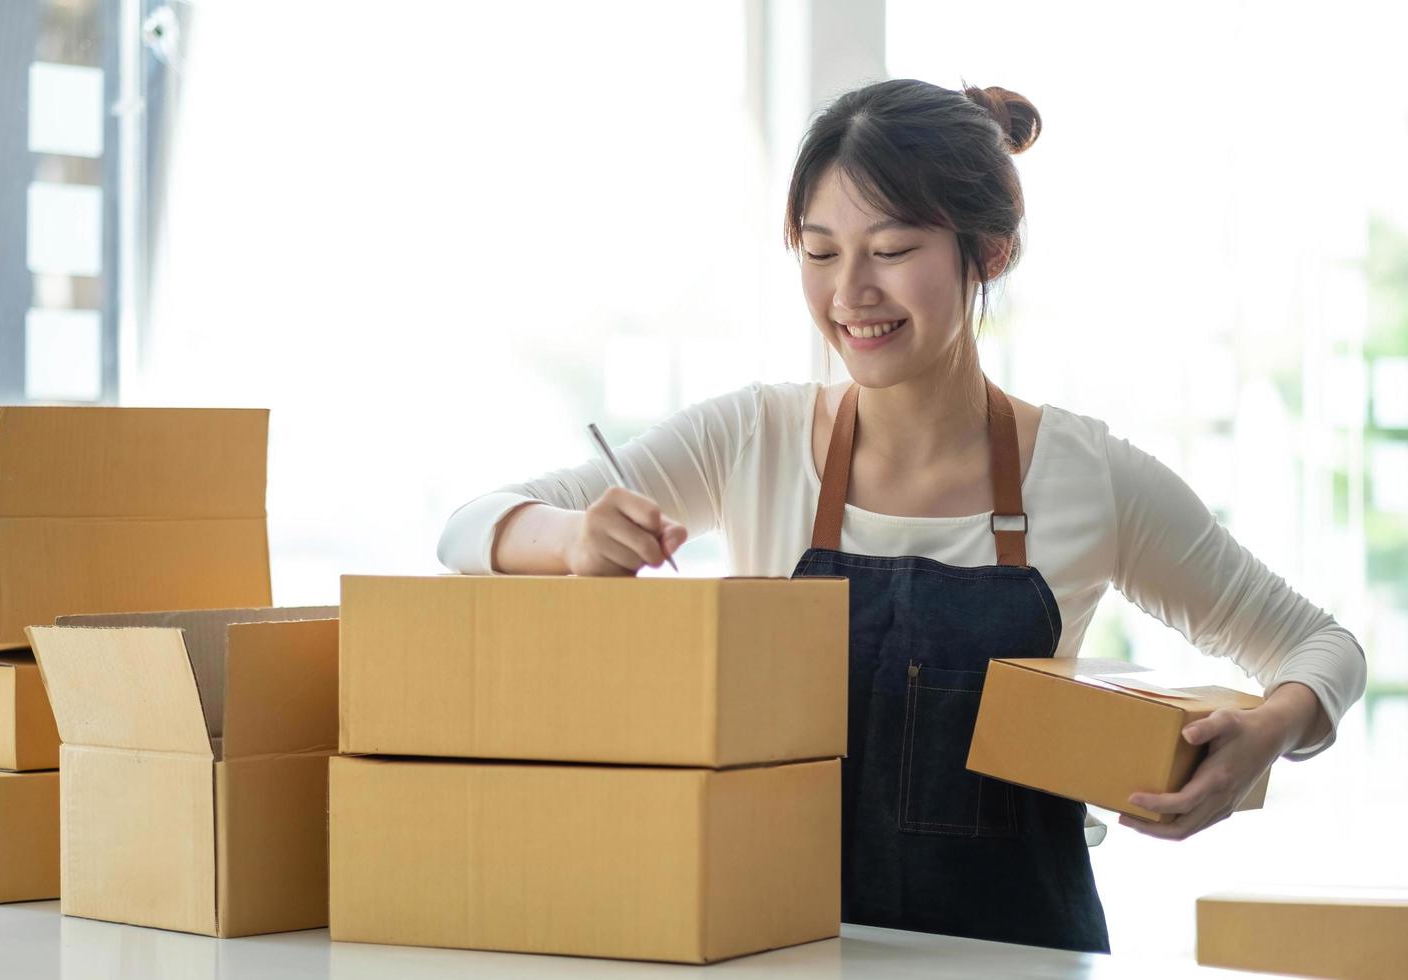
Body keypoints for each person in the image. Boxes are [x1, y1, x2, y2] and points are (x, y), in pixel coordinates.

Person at [435, 78, 1367, 954]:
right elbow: (469, 526)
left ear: (988, 254)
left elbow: (1323, 650)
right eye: (821, 250)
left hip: (1022, 962)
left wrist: (1267, 734)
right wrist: (574, 541)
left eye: (890, 251)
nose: (850, 295)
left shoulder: (1093, 477)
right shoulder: (751, 437)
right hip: (781, 953)